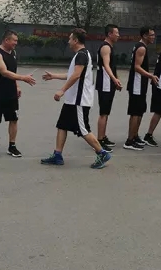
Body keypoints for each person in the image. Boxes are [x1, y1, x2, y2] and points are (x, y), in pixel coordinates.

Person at [40, 28, 112, 169]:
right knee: (62, 125)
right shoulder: (81, 55)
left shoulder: (81, 55)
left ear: (76, 40)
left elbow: (76, 75)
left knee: (83, 129)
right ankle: (57, 155)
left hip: (79, 100)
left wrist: (62, 90)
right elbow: (72, 74)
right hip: (72, 100)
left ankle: (102, 153)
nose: (68, 41)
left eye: (70, 38)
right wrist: (54, 76)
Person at [0, 30, 36, 159]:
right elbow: (4, 72)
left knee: (13, 120)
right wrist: (23, 78)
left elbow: (13, 71)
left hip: (11, 92)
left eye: (16, 41)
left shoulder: (13, 53)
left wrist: (17, 85)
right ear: (6, 40)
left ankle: (12, 146)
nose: (16, 43)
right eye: (14, 40)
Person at [124, 27, 158, 151]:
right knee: (135, 113)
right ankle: (129, 141)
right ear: (144, 35)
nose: (153, 37)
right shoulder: (141, 48)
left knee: (140, 111)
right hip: (136, 85)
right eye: (151, 35)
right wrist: (151, 76)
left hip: (140, 84)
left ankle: (135, 135)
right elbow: (137, 67)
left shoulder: (142, 46)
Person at [95, 24, 122, 151]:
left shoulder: (109, 46)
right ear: (110, 34)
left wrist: (116, 80)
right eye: (116, 33)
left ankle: (103, 136)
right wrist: (114, 79)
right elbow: (106, 66)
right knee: (103, 113)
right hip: (105, 84)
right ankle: (99, 140)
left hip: (109, 83)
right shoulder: (105, 47)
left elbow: (112, 66)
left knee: (106, 112)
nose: (118, 35)